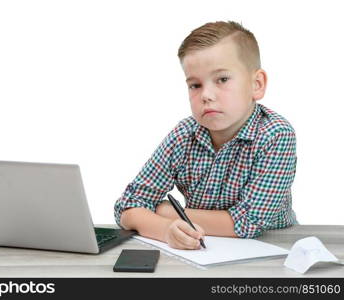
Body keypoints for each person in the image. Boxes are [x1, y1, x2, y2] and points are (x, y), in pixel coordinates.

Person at [114, 21, 298, 250]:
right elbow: (128, 206)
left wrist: (166, 212)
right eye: (195, 85)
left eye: (222, 79)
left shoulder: (275, 135)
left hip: (273, 246)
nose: (206, 95)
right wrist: (165, 230)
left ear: (256, 84)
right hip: (204, 246)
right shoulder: (184, 135)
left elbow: (248, 223)